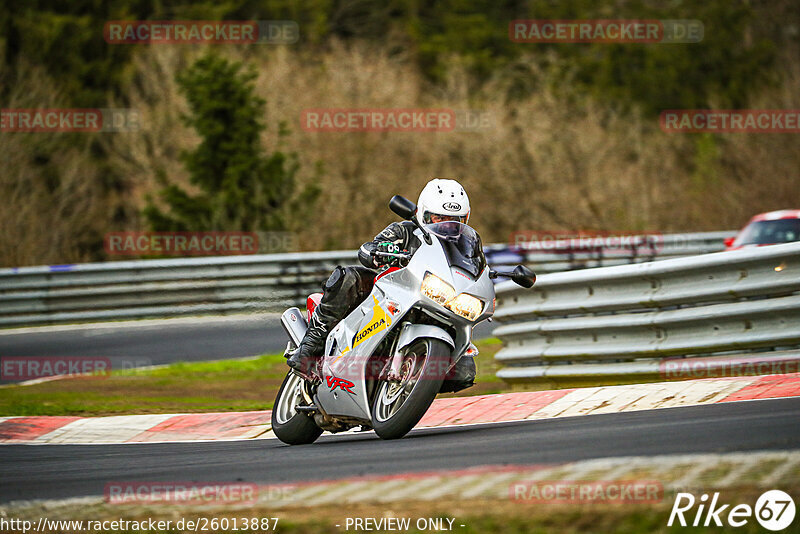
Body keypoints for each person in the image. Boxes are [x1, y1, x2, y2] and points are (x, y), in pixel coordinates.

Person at [286, 178, 477, 392]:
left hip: (435, 301)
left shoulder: (465, 250)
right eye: (438, 218)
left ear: (465, 220)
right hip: (390, 293)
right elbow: (370, 248)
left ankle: (414, 381)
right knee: (348, 278)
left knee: (464, 372)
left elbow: (476, 271)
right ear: (424, 214)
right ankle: (309, 347)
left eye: (454, 220)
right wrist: (379, 250)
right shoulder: (405, 231)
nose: (446, 225)